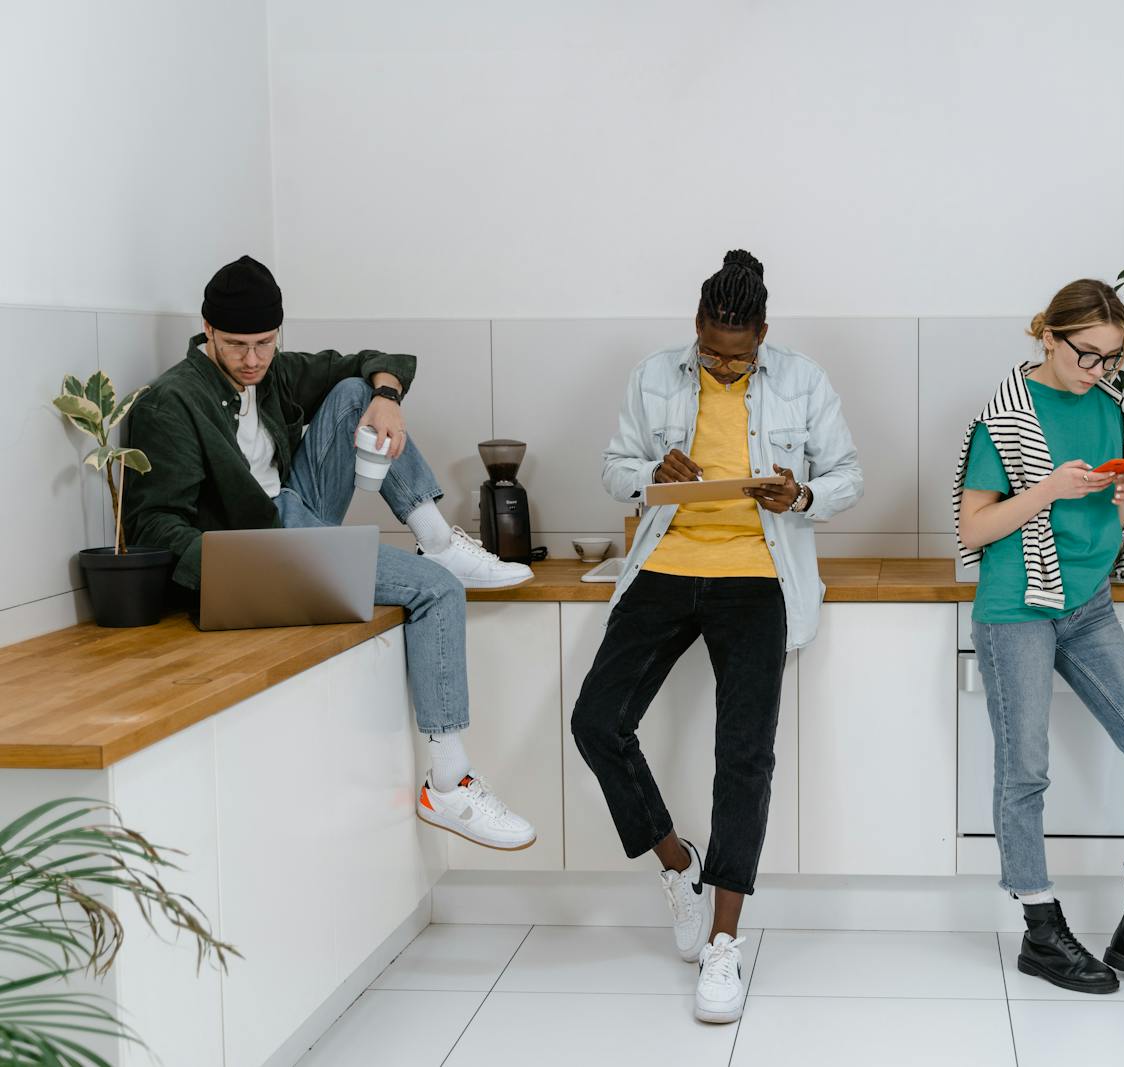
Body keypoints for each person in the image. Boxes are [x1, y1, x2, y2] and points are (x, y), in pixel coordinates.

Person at [125, 255, 537, 851]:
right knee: (437, 590)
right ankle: (448, 783)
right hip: (260, 546)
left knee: (353, 393)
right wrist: (241, 568)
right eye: (237, 345)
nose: (252, 360)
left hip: (298, 511)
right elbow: (154, 525)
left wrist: (387, 397)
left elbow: (376, 363)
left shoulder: (272, 374)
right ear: (207, 331)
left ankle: (438, 540)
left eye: (265, 343)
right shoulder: (172, 401)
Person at [569, 249, 863, 1023]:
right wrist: (648, 473)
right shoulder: (654, 374)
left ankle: (725, 940)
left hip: (758, 576)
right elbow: (611, 467)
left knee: (744, 752)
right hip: (665, 565)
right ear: (697, 327)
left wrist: (799, 492)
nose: (725, 368)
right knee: (597, 720)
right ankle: (676, 862)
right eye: (712, 352)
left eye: (739, 356)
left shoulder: (803, 380)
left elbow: (848, 476)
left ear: (763, 334)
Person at [953, 278, 1124, 999]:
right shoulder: (1004, 418)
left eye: (1113, 358)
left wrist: (1123, 507)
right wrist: (1047, 491)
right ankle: (1040, 928)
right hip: (1017, 607)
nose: (1098, 371)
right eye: (1086, 354)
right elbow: (973, 529)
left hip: (1088, 605)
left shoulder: (1116, 413)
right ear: (1048, 337)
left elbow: (1108, 533)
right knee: (1025, 768)